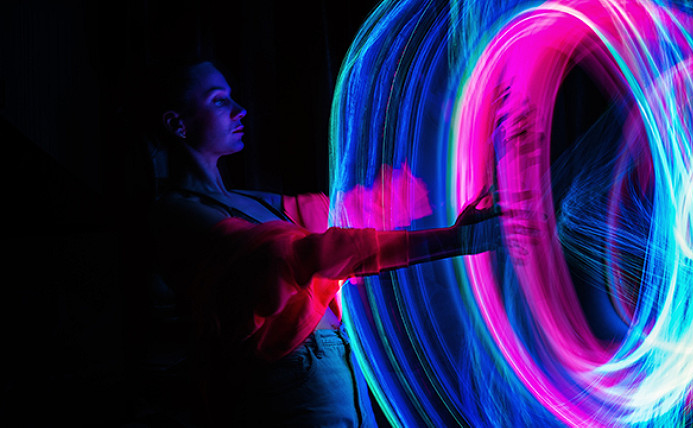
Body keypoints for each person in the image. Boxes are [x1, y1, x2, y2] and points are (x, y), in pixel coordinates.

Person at [137, 59, 502, 427]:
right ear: (177, 125)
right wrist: (453, 241)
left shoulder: (256, 202)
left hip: (337, 367)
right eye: (218, 101)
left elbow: (372, 208)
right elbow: (296, 255)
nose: (239, 110)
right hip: (287, 381)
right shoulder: (173, 213)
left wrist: (468, 131)